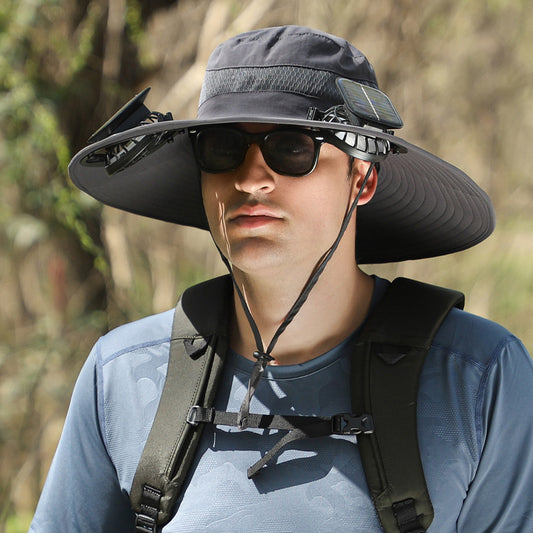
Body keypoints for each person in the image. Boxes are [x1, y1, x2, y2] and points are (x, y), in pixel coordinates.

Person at [30, 25, 533, 532]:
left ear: (362, 178)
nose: (250, 178)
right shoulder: (121, 376)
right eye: (223, 148)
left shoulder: (478, 377)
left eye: (292, 148)